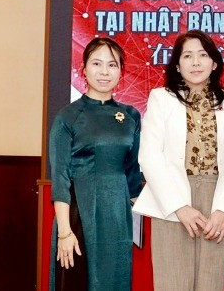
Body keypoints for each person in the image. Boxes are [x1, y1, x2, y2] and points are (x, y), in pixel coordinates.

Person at [133, 30, 224, 291]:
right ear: (178, 65)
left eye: (203, 55)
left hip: (220, 203)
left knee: (212, 284)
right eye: (188, 56)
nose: (196, 62)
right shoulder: (161, 98)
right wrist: (179, 207)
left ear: (214, 63)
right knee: (172, 284)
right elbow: (150, 156)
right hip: (172, 202)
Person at [49, 37, 143, 291]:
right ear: (84, 68)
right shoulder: (68, 116)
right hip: (79, 215)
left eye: (112, 65)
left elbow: (133, 175)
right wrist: (65, 233)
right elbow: (60, 179)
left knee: (116, 281)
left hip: (117, 217)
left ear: (121, 71)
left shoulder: (131, 116)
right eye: (97, 63)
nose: (104, 72)